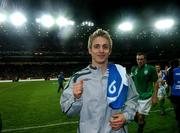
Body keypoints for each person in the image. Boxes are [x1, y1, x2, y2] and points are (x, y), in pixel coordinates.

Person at [60, 29, 139, 133]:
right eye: (96, 46)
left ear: (110, 51)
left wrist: (125, 116)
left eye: (105, 47)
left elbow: (132, 100)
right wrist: (76, 98)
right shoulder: (78, 78)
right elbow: (67, 111)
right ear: (89, 50)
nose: (101, 50)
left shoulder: (122, 75)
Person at [131, 52, 159, 133]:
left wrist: (155, 96)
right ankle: (142, 123)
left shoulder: (151, 69)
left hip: (146, 97)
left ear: (145, 60)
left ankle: (140, 129)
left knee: (140, 117)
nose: (140, 61)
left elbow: (156, 83)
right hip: (136, 97)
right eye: (138, 59)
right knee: (134, 116)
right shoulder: (134, 69)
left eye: (141, 59)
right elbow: (132, 82)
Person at [166, 59, 180, 133]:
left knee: (177, 109)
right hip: (175, 94)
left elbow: (169, 83)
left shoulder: (171, 71)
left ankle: (178, 122)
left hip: (175, 94)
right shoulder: (172, 71)